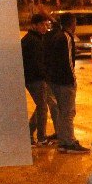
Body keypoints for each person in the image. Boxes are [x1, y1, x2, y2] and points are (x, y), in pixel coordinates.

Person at [45, 12, 90, 153]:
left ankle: (64, 141)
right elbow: (68, 61)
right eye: (75, 22)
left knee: (63, 112)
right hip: (65, 82)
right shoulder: (66, 37)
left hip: (55, 81)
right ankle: (69, 143)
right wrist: (73, 79)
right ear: (72, 23)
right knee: (68, 112)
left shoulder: (56, 35)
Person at [20, 13, 56, 146]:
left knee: (41, 106)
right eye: (41, 24)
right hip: (35, 79)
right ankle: (41, 138)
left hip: (36, 78)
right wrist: (45, 76)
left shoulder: (36, 38)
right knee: (42, 107)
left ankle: (28, 132)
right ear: (34, 26)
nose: (44, 27)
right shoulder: (32, 41)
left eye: (46, 24)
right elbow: (36, 63)